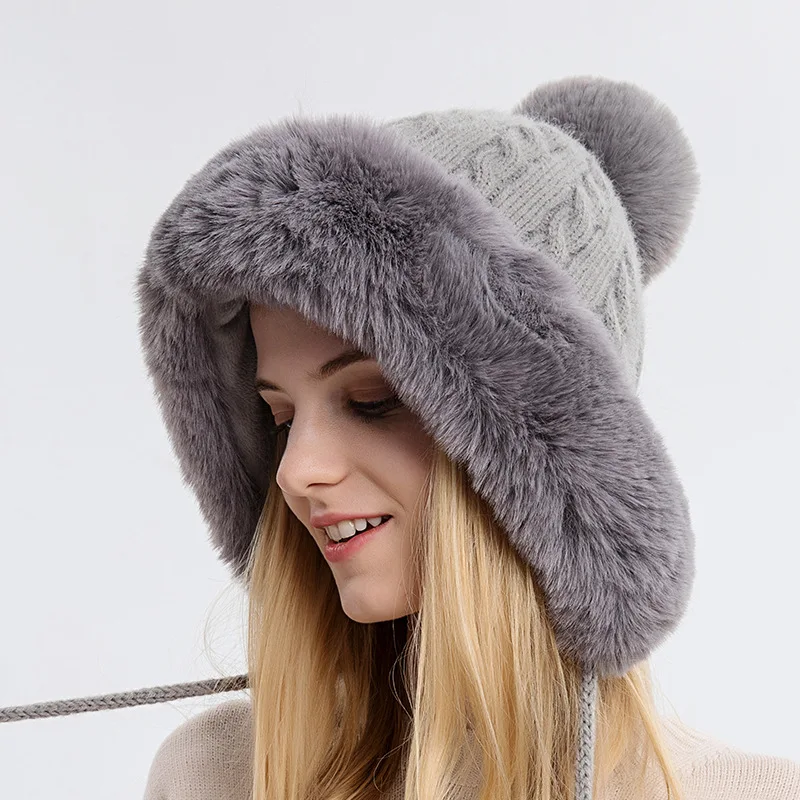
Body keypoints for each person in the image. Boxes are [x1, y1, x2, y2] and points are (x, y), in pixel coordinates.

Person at [135, 76, 800, 799]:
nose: (295, 471)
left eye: (373, 401)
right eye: (281, 419)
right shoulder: (215, 774)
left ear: (544, 463)